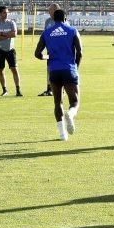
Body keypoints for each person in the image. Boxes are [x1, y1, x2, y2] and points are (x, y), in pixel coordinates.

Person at [35, 9, 82, 141]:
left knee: (57, 102)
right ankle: (70, 115)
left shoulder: (46, 32)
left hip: (54, 70)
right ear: (65, 18)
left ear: (53, 19)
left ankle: (62, 135)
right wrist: (75, 68)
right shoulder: (72, 31)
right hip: (69, 69)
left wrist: (48, 57)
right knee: (75, 101)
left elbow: (37, 54)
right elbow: (80, 52)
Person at [0, 6, 22, 97]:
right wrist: (8, 35)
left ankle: (18, 90)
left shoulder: (12, 23)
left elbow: (14, 34)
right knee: (1, 70)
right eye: (4, 12)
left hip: (10, 49)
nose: (6, 14)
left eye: (7, 12)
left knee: (14, 69)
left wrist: (2, 34)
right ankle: (4, 90)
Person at [39, 3, 61, 97]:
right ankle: (49, 89)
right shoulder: (48, 21)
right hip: (50, 50)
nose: (49, 12)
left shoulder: (61, 20)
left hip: (60, 50)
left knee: (59, 69)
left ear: (56, 11)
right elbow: (45, 35)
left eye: (50, 10)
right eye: (49, 10)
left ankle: (60, 88)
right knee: (49, 69)